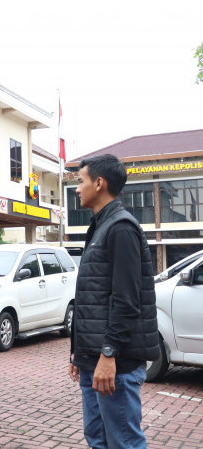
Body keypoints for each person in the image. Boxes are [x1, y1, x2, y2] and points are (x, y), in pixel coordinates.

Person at [68, 154, 159, 449]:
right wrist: (77, 352)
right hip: (93, 361)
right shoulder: (100, 226)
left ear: (99, 182)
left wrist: (109, 355)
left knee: (124, 443)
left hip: (114, 364)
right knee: (97, 438)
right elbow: (92, 298)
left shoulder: (121, 228)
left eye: (81, 181)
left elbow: (126, 299)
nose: (77, 189)